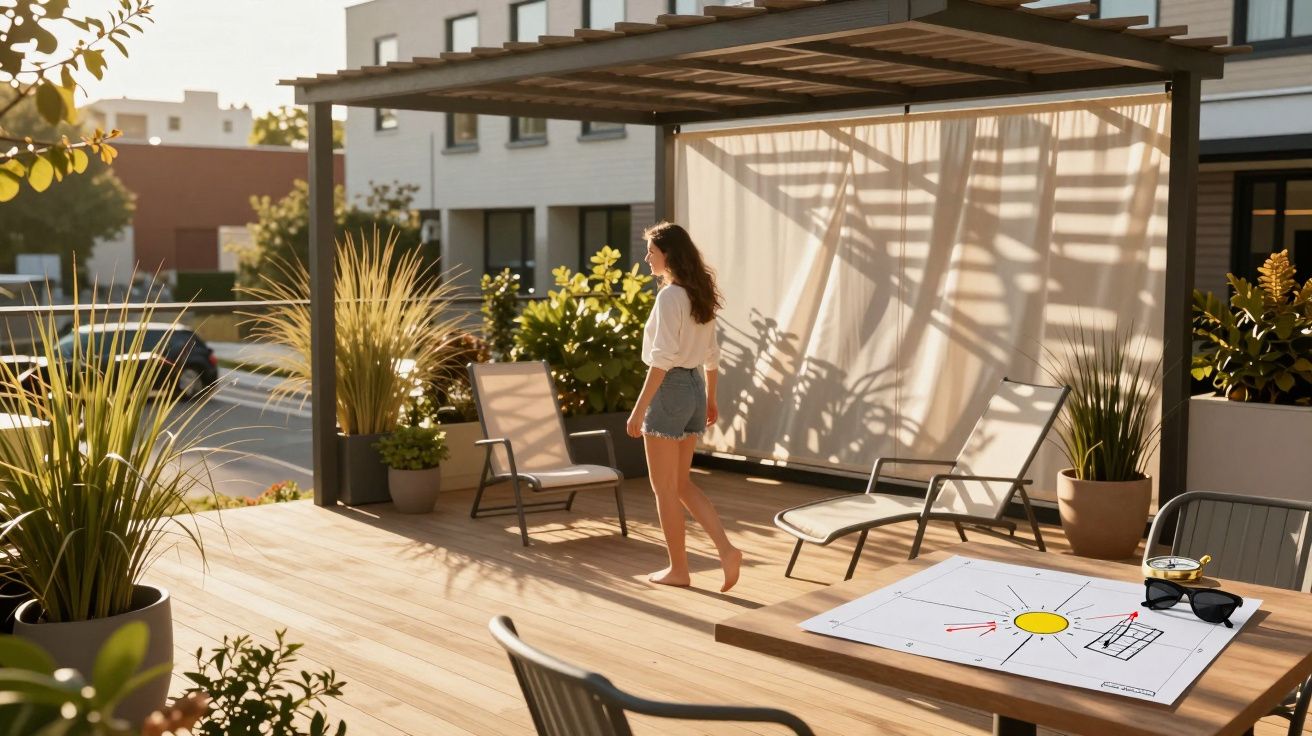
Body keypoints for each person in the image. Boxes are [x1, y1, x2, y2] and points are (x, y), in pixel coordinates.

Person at [626, 222, 742, 593]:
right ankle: (726, 549)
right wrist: (709, 397)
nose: (647, 258)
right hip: (693, 387)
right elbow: (710, 355)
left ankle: (679, 569)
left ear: (668, 255)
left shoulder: (670, 297)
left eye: (652, 252)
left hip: (671, 388)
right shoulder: (699, 293)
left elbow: (660, 361)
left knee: (664, 488)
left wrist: (639, 409)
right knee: (681, 484)